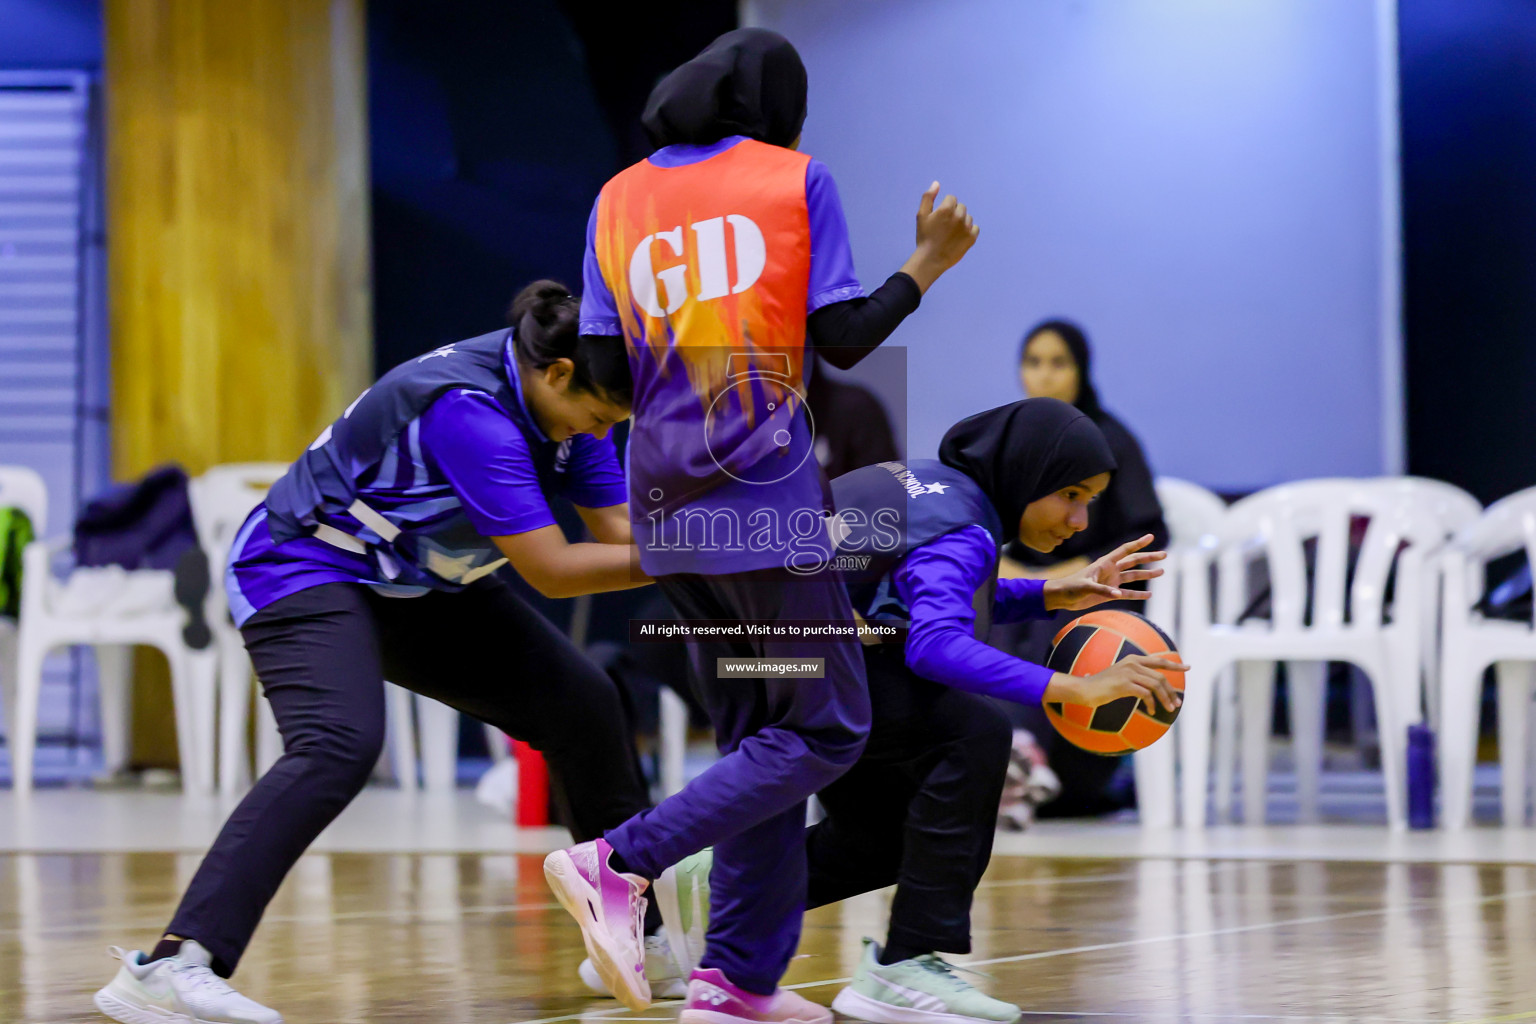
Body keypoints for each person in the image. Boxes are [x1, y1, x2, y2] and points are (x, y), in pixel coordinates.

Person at [544, 26, 979, 1024]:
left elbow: (606, 376)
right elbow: (843, 335)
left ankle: (735, 981)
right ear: (776, 107)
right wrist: (929, 262)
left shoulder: (618, 197)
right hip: (761, 504)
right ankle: (620, 861)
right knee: (828, 728)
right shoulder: (793, 179)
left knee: (758, 732)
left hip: (665, 502)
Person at [92, 282, 661, 1024]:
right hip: (302, 566)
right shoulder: (471, 413)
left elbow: (622, 534)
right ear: (555, 374)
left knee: (586, 704)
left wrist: (711, 540)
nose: (597, 432)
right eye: (595, 416)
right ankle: (171, 967)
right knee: (337, 743)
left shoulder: (572, 408)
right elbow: (554, 570)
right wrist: (706, 553)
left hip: (415, 581)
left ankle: (639, 943)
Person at [576, 399, 1185, 1024]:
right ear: (1027, 474)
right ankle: (906, 967)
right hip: (796, 659)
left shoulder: (929, 484)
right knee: (975, 732)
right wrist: (1070, 688)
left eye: (1091, 500)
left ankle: (689, 903)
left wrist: (1052, 592)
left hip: (736, 649)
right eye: (1070, 495)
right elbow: (935, 644)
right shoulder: (966, 529)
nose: (1081, 520)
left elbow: (917, 593)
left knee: (881, 837)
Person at [999, 319, 1170, 821]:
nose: (1044, 376)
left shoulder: (1111, 438)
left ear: (1081, 370)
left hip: (1098, 586)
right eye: (1033, 363)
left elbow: (1151, 528)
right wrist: (1000, 560)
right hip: (1026, 580)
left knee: (1057, 613)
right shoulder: (1013, 439)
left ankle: (1033, 763)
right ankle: (1003, 759)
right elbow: (988, 518)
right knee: (984, 606)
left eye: (1058, 363)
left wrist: (1085, 568)